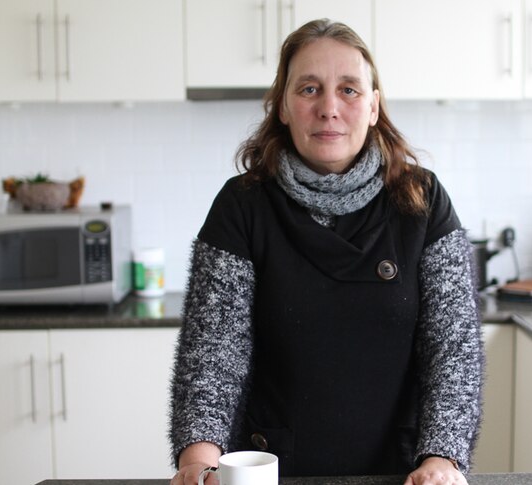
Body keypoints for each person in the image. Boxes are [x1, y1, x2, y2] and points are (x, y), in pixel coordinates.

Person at [169, 18, 483, 485]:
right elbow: (213, 354)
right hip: (267, 471)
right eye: (310, 89)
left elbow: (453, 350)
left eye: (350, 90)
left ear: (374, 107)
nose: (329, 108)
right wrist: (198, 460)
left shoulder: (423, 201)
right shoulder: (242, 206)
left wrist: (443, 459)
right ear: (282, 107)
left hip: (401, 474)